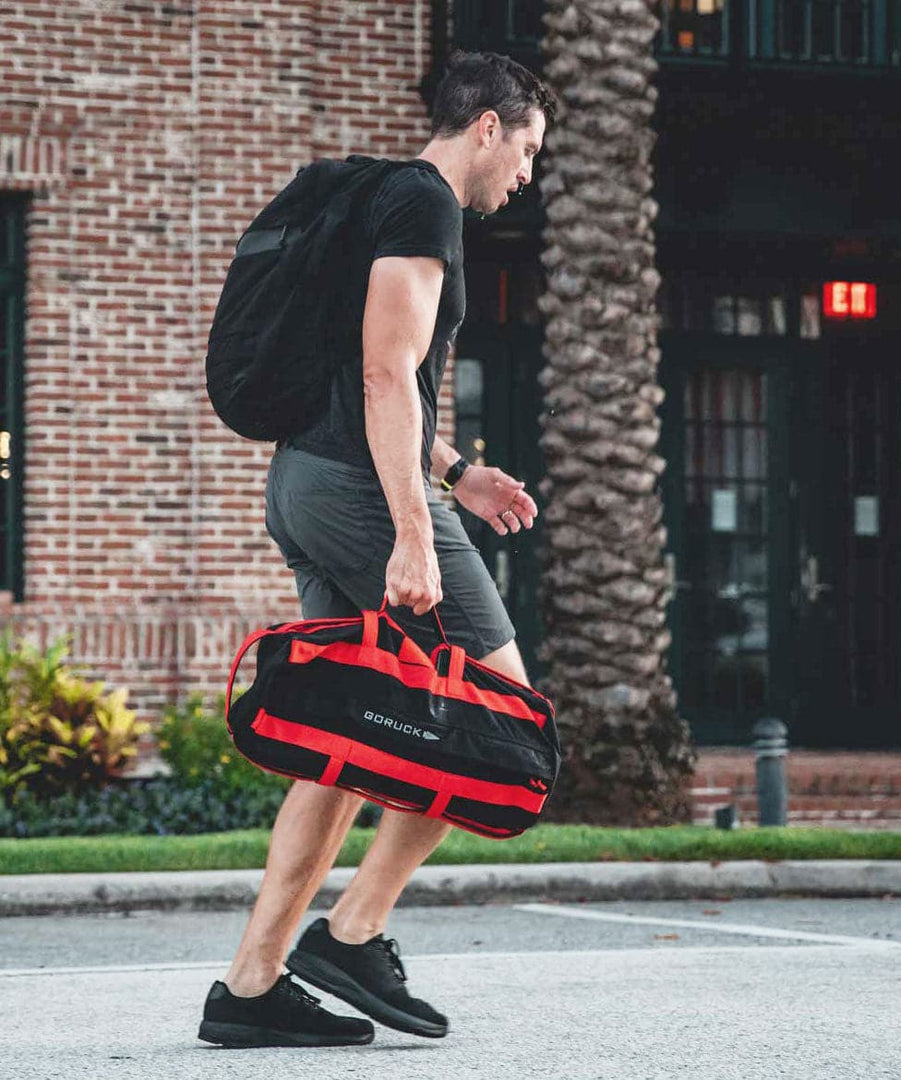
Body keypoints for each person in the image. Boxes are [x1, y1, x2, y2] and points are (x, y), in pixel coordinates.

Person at [198, 51, 556, 1049]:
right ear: (488, 128)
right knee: (505, 725)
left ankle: (251, 988)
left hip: (303, 482)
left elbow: (365, 381)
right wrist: (413, 529)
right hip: (356, 495)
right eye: (527, 150)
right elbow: (385, 371)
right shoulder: (423, 205)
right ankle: (352, 935)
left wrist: (453, 476)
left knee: (347, 738)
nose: (526, 175)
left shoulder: (367, 202)